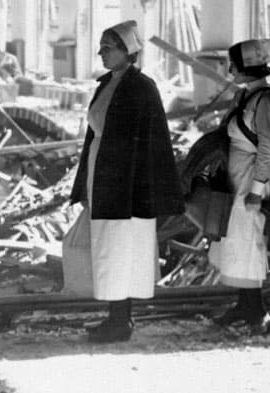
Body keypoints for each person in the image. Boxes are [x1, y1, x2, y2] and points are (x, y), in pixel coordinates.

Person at [69, 20, 184, 343]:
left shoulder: (141, 87)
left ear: (127, 51)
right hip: (104, 175)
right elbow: (96, 136)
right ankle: (116, 317)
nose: (101, 53)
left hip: (125, 187)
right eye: (101, 47)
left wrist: (134, 189)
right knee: (108, 248)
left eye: (108, 47)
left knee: (121, 249)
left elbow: (149, 145)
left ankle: (121, 321)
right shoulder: (108, 83)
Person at [199, 38, 270, 334]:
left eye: (233, 63)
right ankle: (245, 304)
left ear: (246, 66)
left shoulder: (267, 100)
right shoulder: (247, 96)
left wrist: (257, 193)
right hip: (237, 177)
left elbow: (267, 149)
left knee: (248, 244)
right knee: (236, 242)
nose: (230, 68)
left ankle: (258, 311)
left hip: (251, 181)